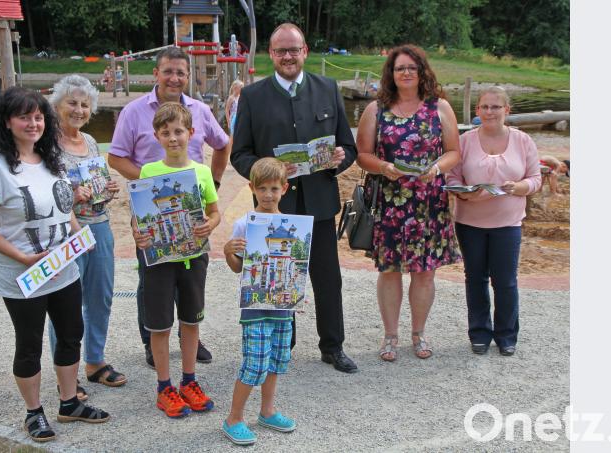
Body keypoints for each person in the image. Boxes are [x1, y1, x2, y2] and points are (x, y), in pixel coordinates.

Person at [0, 87, 110, 443]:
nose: (33, 123)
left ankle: (68, 402)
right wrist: (22, 257)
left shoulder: (51, 158)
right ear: (6, 121)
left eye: (38, 116)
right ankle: (34, 412)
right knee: (29, 344)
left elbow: (64, 206)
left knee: (70, 334)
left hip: (63, 267)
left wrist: (79, 237)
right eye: (24, 117)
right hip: (23, 274)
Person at [231, 23, 358, 374]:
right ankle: (281, 345)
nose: (288, 56)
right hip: (275, 208)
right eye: (281, 50)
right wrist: (267, 172)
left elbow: (348, 145)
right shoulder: (253, 97)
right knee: (279, 278)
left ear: (305, 51)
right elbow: (239, 155)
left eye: (294, 49)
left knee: (327, 279)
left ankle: (332, 347)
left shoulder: (327, 88)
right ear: (271, 54)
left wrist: (338, 160)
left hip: (319, 204)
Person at [108, 46, 229, 367]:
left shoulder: (201, 111)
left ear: (188, 76)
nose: (174, 78)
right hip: (151, 206)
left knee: (189, 276)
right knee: (152, 278)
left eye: (181, 73)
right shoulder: (134, 112)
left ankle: (190, 338)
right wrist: (153, 183)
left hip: (190, 208)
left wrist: (213, 182)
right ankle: (152, 340)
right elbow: (116, 157)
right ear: (156, 74)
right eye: (168, 72)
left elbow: (223, 144)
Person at [355, 44, 462, 361]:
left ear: (421, 72)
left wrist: (437, 168)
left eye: (410, 68)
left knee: (425, 272)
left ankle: (418, 334)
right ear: (391, 73)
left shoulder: (439, 107)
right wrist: (384, 167)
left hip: (428, 201)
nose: (404, 73)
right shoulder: (376, 109)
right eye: (399, 68)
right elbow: (362, 155)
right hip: (390, 201)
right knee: (389, 270)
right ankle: (390, 336)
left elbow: (454, 151)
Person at [131, 102, 220, 418]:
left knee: (191, 321)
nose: (173, 138)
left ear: (191, 133)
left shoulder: (202, 171)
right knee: (160, 324)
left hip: (194, 257)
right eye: (165, 132)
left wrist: (211, 223)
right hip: (158, 261)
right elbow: (138, 218)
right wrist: (138, 235)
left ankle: (189, 381)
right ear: (157, 136)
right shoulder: (149, 171)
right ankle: (164, 386)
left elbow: (214, 210)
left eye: (178, 131)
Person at [45, 75, 125, 400]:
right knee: (66, 304)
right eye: (72, 103)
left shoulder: (91, 141)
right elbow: (48, 195)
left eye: (84, 104)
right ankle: (68, 374)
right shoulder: (47, 145)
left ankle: (95, 361)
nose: (78, 110)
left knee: (100, 297)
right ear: (57, 106)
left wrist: (107, 189)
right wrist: (73, 198)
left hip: (100, 225)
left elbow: (95, 185)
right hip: (67, 232)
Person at [446, 86, 542, 356]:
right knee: (475, 278)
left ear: (507, 110)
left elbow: (535, 178)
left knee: (506, 281)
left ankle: (506, 335)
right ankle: (479, 332)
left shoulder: (523, 141)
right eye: (485, 107)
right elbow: (452, 177)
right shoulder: (464, 141)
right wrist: (466, 196)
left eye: (495, 107)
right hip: (470, 222)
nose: (490, 112)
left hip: (508, 222)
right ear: (477, 110)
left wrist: (520, 187)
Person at [221, 157, 297, 446]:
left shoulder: (291, 226)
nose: (268, 195)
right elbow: (237, 267)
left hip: (282, 306)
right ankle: (234, 418)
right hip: (255, 307)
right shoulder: (244, 224)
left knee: (277, 360)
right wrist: (229, 250)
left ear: (284, 189)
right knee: (254, 364)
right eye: (262, 188)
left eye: (274, 189)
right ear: (251, 188)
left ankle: (267, 411)